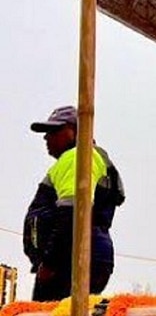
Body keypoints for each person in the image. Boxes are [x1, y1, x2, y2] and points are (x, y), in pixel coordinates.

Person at [23, 106, 126, 304]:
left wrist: (49, 264)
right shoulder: (88, 158)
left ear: (74, 130)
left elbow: (73, 214)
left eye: (53, 131)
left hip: (69, 260)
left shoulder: (77, 157)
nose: (46, 138)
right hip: (81, 256)